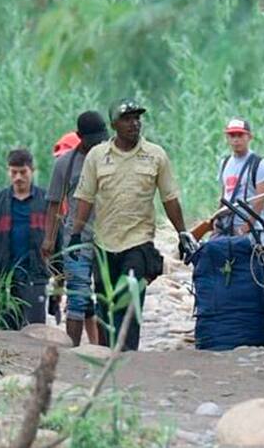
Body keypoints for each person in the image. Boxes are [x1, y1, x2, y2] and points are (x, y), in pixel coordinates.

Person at [71, 98, 196, 351]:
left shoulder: (155, 156)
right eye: (127, 119)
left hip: (138, 243)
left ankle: (128, 355)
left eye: (137, 118)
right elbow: (85, 197)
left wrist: (182, 232)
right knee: (105, 306)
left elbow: (169, 198)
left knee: (129, 302)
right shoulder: (97, 156)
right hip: (104, 243)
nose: (134, 123)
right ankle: (106, 355)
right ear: (114, 124)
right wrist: (75, 234)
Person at [42, 111, 110, 346]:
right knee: (78, 295)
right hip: (76, 239)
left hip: (108, 237)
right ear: (80, 137)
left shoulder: (110, 159)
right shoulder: (65, 164)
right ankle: (72, 348)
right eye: (93, 139)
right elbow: (53, 204)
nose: (98, 143)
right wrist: (48, 239)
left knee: (105, 295)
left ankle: (104, 350)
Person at [0, 149, 51, 329]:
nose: (18, 177)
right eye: (14, 172)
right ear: (8, 172)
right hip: (5, 277)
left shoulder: (46, 201)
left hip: (35, 275)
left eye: (23, 172)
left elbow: (58, 237)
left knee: (35, 330)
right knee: (6, 330)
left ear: (32, 170)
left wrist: (60, 275)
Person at [214, 118, 264, 237]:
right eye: (232, 135)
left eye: (240, 135)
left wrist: (246, 226)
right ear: (227, 138)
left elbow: (261, 200)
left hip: (252, 231)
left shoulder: (260, 164)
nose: (236, 140)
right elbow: (224, 196)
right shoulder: (224, 163)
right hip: (227, 228)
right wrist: (217, 220)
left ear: (249, 137)